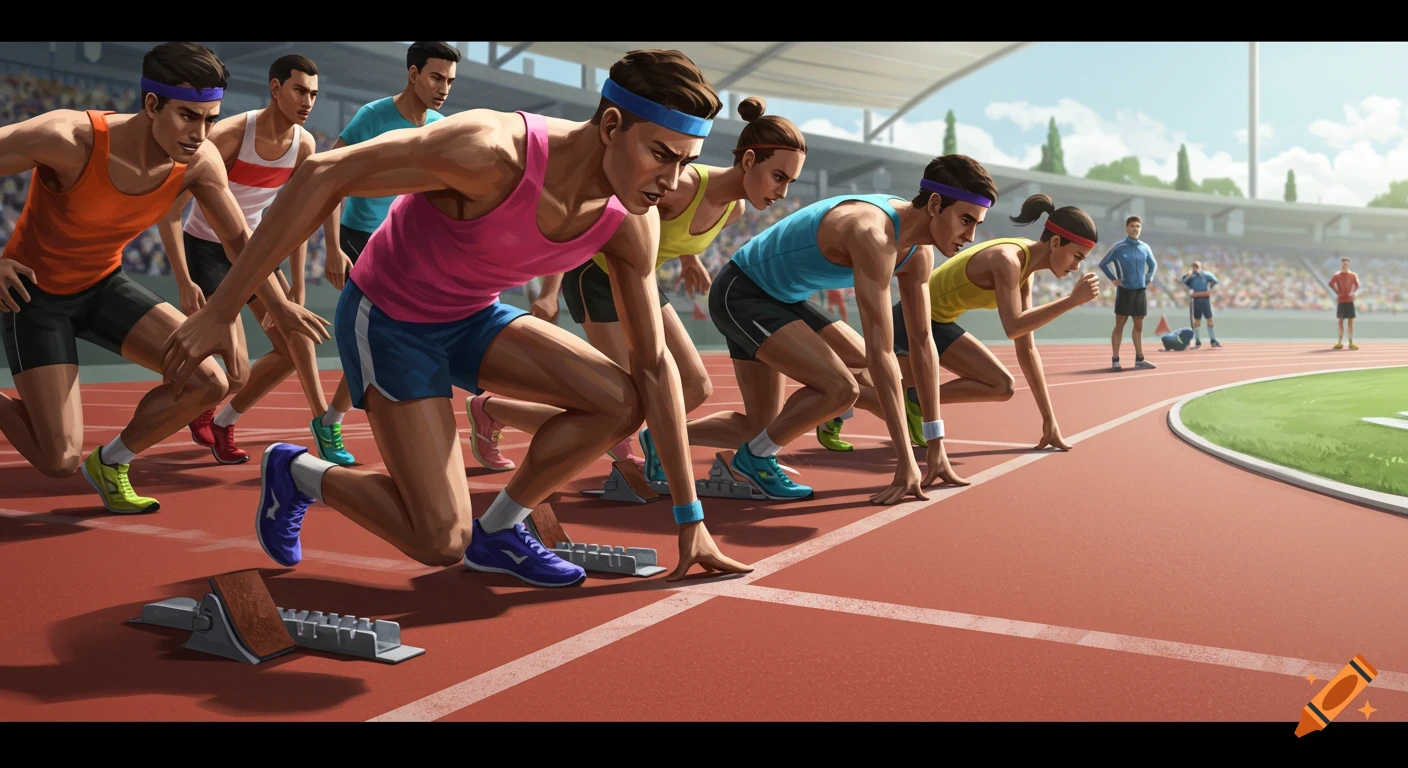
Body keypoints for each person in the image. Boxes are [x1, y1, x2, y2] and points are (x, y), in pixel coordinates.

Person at [160, 49, 752, 585]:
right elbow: (323, 173)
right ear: (613, 125)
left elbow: (653, 365)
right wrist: (222, 308)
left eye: (687, 162)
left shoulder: (633, 221)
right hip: (390, 319)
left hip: (474, 316)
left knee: (621, 401)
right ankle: (300, 474)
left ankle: (499, 530)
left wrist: (690, 518)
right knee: (439, 541)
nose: (672, 182)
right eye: (661, 155)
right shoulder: (487, 151)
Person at [0, 42, 327, 514]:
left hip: (103, 285)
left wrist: (280, 307)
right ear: (151, 104)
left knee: (210, 383)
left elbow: (239, 240)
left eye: (211, 119)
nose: (200, 134)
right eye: (188, 117)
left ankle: (111, 462)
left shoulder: (200, 161)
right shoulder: (67, 138)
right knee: (57, 458)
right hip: (35, 296)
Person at [465, 95, 807, 473]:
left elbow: (678, 233)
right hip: (596, 277)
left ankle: (624, 435)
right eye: (778, 177)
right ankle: (493, 410)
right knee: (620, 406)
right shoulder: (679, 185)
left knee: (694, 387)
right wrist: (549, 292)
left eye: (790, 182)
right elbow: (586, 214)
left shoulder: (734, 210)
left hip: (640, 282)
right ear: (749, 161)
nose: (782, 193)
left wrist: (689, 259)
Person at [638, 155, 991, 503]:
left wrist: (936, 445)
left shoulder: (918, 254)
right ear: (935, 204)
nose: (971, 236)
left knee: (759, 427)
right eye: (965, 220)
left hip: (785, 298)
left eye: (977, 224)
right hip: (742, 293)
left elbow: (922, 341)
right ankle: (756, 458)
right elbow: (881, 349)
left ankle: (664, 436)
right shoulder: (872, 234)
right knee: (841, 388)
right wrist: (906, 460)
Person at [156, 54, 339, 465]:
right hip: (206, 249)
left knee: (292, 348)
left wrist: (297, 284)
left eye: (313, 94)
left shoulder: (304, 146)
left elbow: (294, 220)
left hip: (253, 251)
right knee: (236, 373)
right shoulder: (231, 136)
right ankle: (203, 403)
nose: (308, 101)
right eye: (299, 90)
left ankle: (225, 421)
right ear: (275, 89)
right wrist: (184, 279)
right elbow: (170, 210)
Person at [830, 195, 1102, 451]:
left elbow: (1027, 348)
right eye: (1077, 256)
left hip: (939, 324)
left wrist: (1049, 420)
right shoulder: (1007, 260)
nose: (1076, 267)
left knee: (1001, 386)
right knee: (887, 398)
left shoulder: (1025, 271)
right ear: (1055, 243)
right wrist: (1071, 301)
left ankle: (915, 399)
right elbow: (1013, 327)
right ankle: (837, 395)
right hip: (911, 320)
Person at [315, 41, 460, 459]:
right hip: (360, 237)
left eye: (450, 81)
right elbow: (328, 178)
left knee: (399, 336)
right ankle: (333, 421)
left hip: (407, 244)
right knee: (376, 334)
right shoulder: (373, 117)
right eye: (436, 77)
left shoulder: (441, 126)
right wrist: (331, 248)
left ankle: (335, 419)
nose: (443, 88)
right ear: (413, 74)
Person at [1098, 215, 1157, 371]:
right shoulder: (1119, 247)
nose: (1135, 229)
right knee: (1119, 326)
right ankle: (1115, 359)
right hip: (1125, 291)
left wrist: (1149, 277)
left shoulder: (1145, 247)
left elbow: (1153, 264)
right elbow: (1103, 264)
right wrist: (1113, 279)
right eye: (1132, 226)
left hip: (1140, 291)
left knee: (1139, 326)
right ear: (1126, 228)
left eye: (1138, 226)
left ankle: (1139, 359)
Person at [1180, 260, 1220, 348]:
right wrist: (1188, 275)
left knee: (1209, 319)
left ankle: (1213, 339)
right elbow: (1184, 281)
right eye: (1194, 266)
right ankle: (1197, 340)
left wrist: (1210, 287)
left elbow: (1215, 280)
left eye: (1197, 266)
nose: (1195, 268)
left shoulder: (1206, 275)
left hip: (1205, 300)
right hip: (1196, 300)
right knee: (1197, 320)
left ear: (1200, 267)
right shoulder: (1191, 277)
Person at [1328, 255, 1359, 350]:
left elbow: (1356, 285)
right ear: (1341, 264)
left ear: (1348, 264)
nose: (1345, 265)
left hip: (1349, 300)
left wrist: (1352, 292)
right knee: (1340, 320)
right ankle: (1340, 341)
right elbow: (1330, 284)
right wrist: (1338, 292)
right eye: (1344, 264)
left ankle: (1350, 342)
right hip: (1341, 300)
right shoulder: (1337, 276)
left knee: (1350, 321)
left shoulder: (1352, 275)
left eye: (1347, 264)